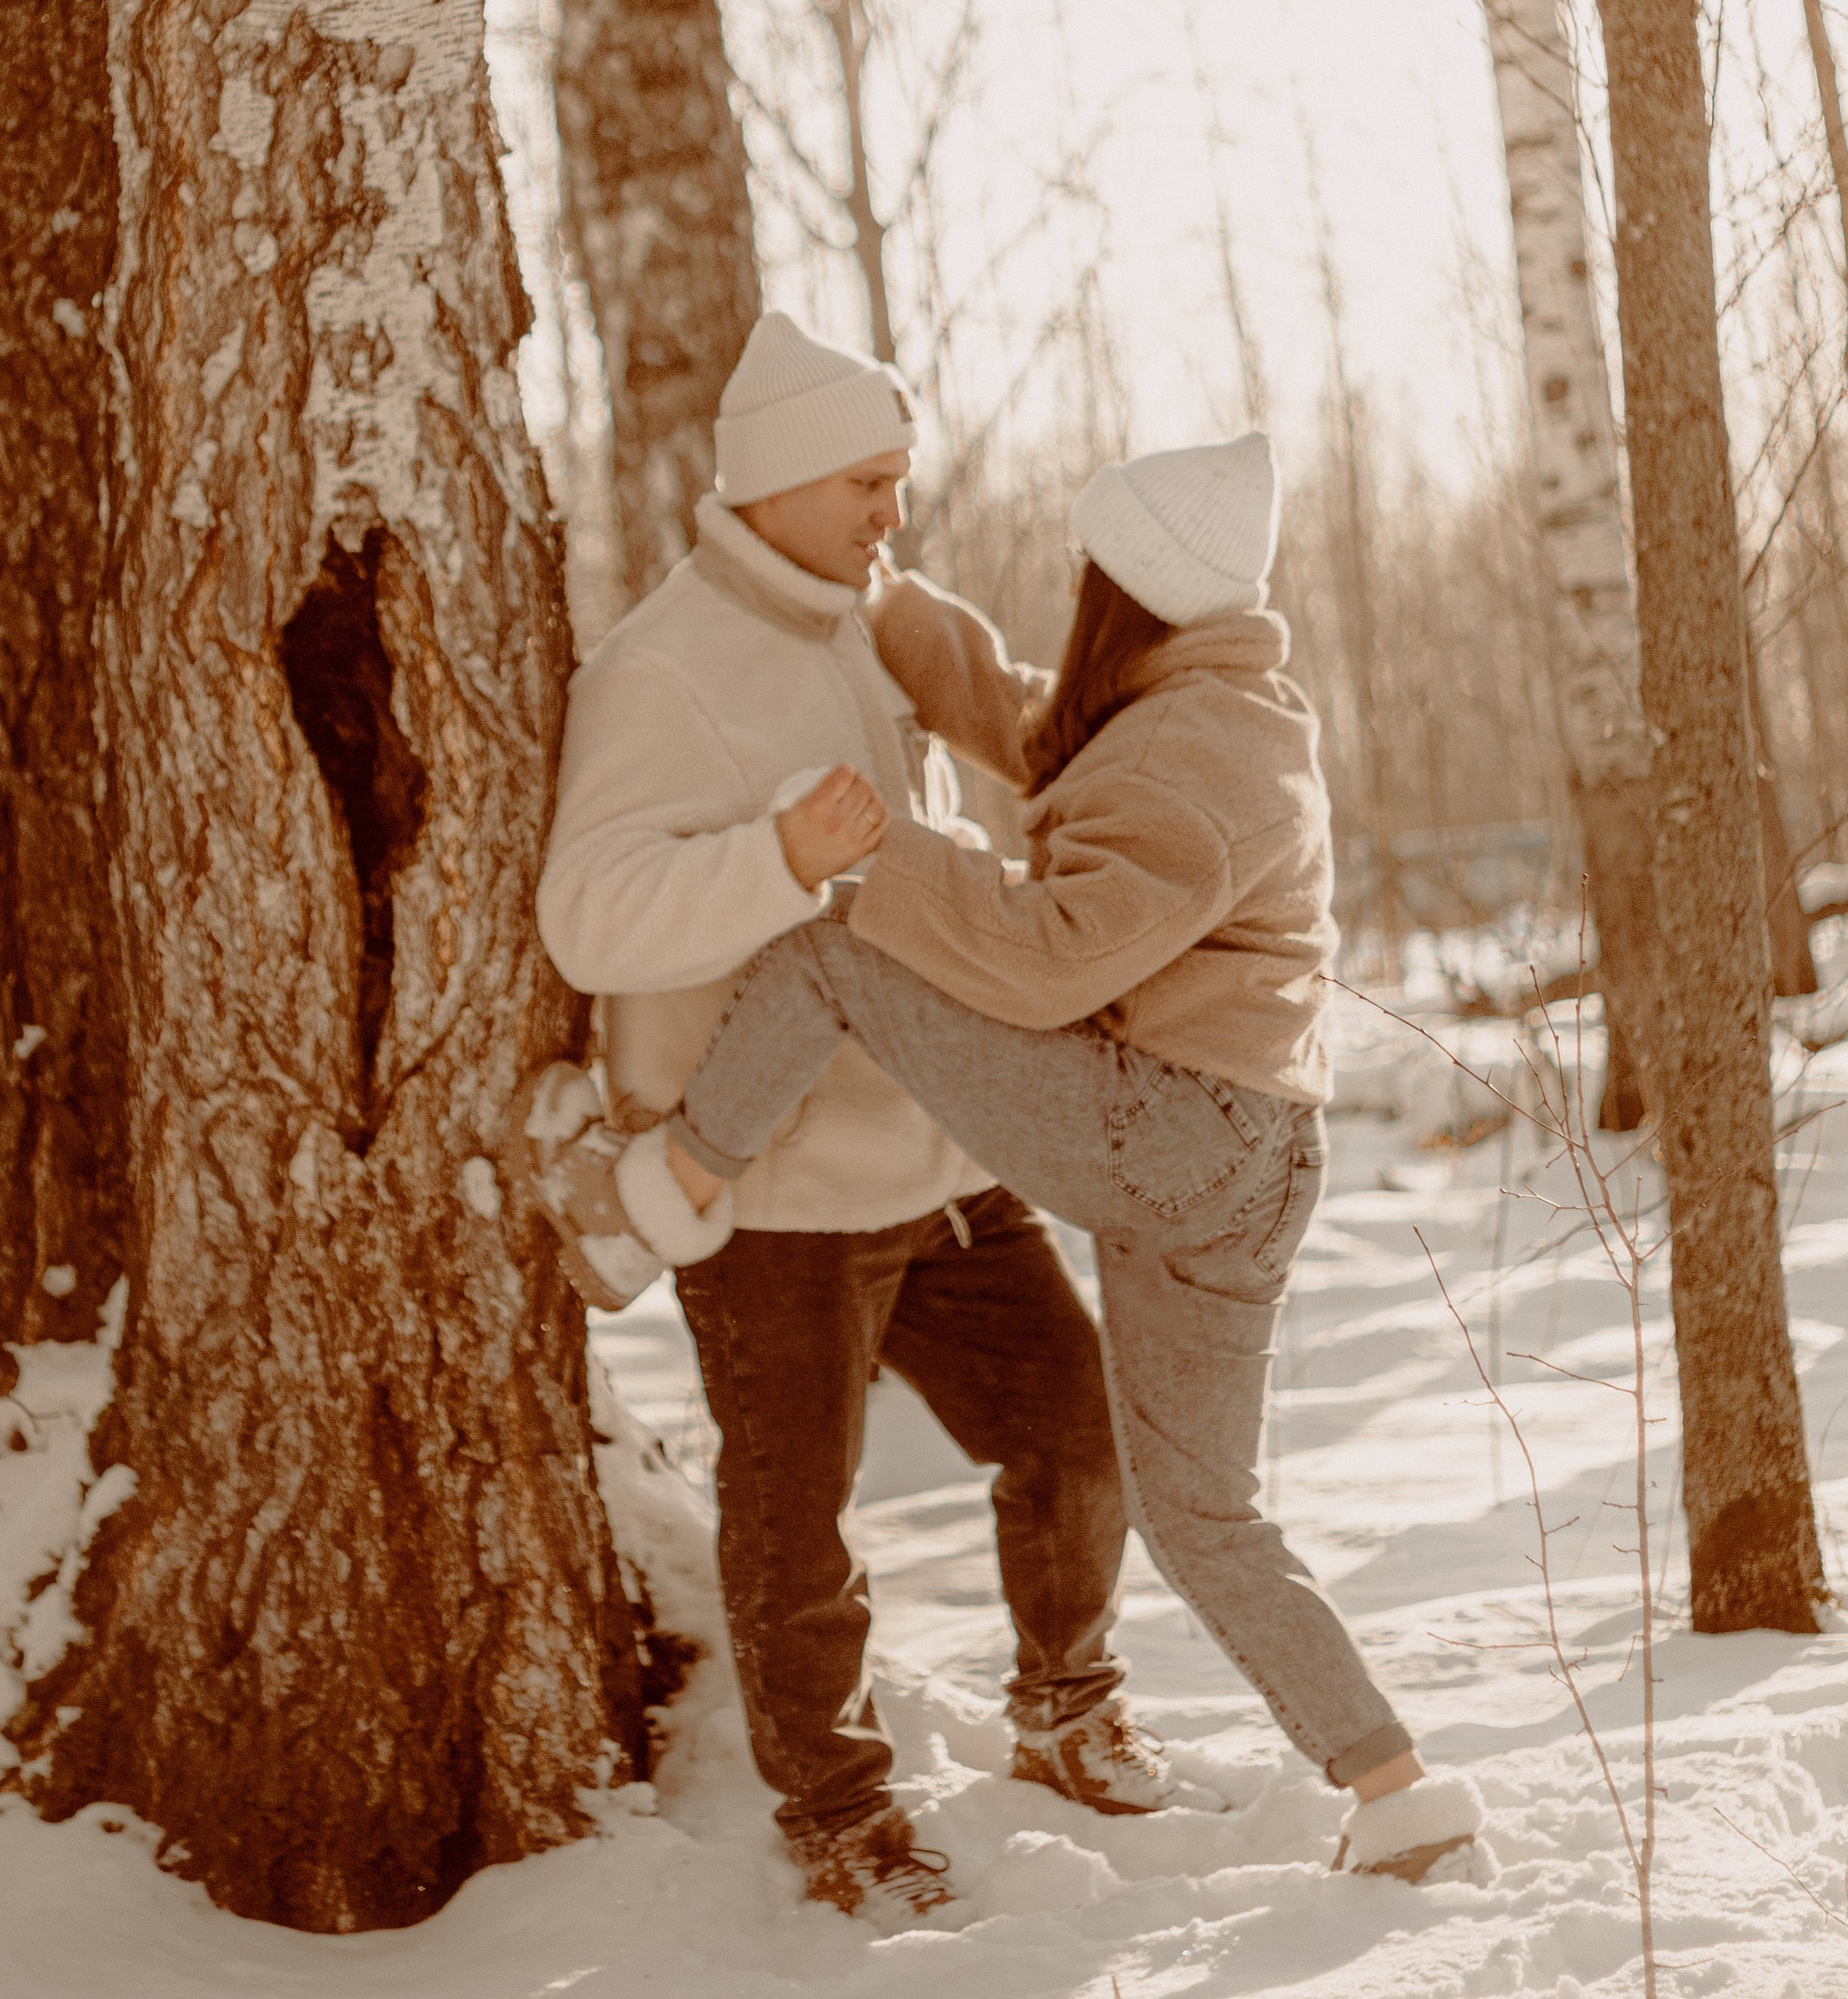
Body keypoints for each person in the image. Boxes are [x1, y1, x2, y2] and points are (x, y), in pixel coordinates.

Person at [541, 434, 1487, 1896]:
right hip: (1249, 1156)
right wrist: (878, 585)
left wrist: (890, 860)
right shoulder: (1218, 698)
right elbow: (1033, 727)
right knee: (1204, 1516)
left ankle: (654, 1189)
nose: (1073, 590)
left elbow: (1055, 961)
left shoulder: (1190, 752)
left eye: (1091, 569)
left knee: (827, 946)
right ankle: (1398, 1790)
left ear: (1130, 586)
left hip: (1161, 1130)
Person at [537, 315, 1170, 1932]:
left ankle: (1065, 1701)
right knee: (795, 1524)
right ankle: (837, 1814)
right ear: (773, 481)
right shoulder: (660, 667)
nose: (893, 506)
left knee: (1079, 1431)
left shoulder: (878, 618)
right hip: (775, 1187)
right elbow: (589, 920)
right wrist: (775, 856)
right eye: (865, 480)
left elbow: (1006, 754)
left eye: (898, 475)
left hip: (940, 1146)